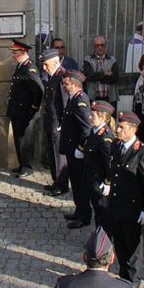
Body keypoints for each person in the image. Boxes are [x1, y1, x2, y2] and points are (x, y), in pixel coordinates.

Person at [104, 112, 144, 286]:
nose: (118, 130)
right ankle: (123, 275)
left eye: (122, 127)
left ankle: (133, 281)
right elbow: (113, 171)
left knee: (133, 246)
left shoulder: (142, 153)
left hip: (133, 208)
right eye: (118, 126)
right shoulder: (116, 146)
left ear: (133, 129)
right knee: (120, 244)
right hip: (117, 205)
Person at [74, 100, 116, 230]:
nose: (90, 117)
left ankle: (103, 241)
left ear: (103, 117)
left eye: (93, 115)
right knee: (98, 213)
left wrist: (108, 182)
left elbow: (110, 162)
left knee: (102, 213)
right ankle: (99, 237)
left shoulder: (105, 138)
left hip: (99, 182)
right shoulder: (95, 131)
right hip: (91, 178)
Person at [59, 70, 94, 221]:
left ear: (75, 85)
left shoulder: (80, 101)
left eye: (66, 84)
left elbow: (87, 129)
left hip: (76, 151)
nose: (64, 87)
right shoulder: (73, 98)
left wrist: (80, 149)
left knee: (80, 183)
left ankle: (84, 215)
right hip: (71, 148)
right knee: (75, 182)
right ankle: (79, 210)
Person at [6, 40, 44, 176]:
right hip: (17, 111)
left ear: (22, 53)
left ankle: (27, 166)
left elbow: (39, 90)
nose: (12, 55)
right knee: (18, 138)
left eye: (14, 52)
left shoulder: (29, 68)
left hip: (25, 111)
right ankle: (21, 164)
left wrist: (33, 108)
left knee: (25, 140)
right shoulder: (21, 66)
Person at [41, 49, 71, 195]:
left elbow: (65, 104)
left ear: (54, 63)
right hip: (50, 122)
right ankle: (56, 181)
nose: (44, 68)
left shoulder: (62, 77)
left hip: (57, 124)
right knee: (51, 155)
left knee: (59, 157)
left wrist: (61, 126)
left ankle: (62, 184)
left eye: (46, 65)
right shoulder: (54, 76)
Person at [82, 35, 120, 104]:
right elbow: (89, 75)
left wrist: (96, 77)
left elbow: (115, 78)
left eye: (102, 45)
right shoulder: (88, 59)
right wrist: (105, 73)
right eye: (97, 45)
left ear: (105, 46)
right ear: (94, 46)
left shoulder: (112, 60)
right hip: (93, 99)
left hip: (109, 99)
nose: (100, 47)